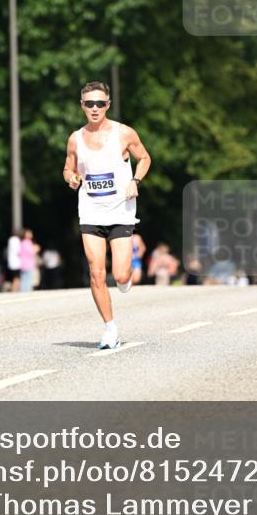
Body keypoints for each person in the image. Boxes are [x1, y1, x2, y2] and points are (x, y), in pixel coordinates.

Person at [63, 80, 151, 349]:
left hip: (121, 210)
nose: (95, 108)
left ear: (108, 105)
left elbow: (145, 158)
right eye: (90, 103)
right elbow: (68, 168)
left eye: (100, 103)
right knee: (97, 273)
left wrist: (135, 180)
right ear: (82, 106)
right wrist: (72, 178)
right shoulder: (75, 138)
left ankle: (125, 280)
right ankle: (110, 329)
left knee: (121, 275)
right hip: (90, 211)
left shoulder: (124, 133)